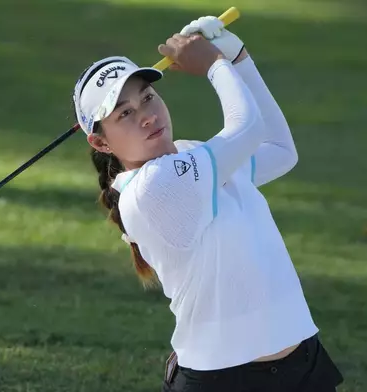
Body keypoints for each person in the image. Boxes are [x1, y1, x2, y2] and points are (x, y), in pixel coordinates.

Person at [71, 15, 344, 392]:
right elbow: (246, 128)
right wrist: (216, 65)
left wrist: (239, 59)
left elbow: (279, 151)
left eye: (148, 97)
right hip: (224, 381)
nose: (147, 115)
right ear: (101, 143)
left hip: (301, 367)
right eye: (125, 114)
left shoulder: (191, 155)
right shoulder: (152, 187)